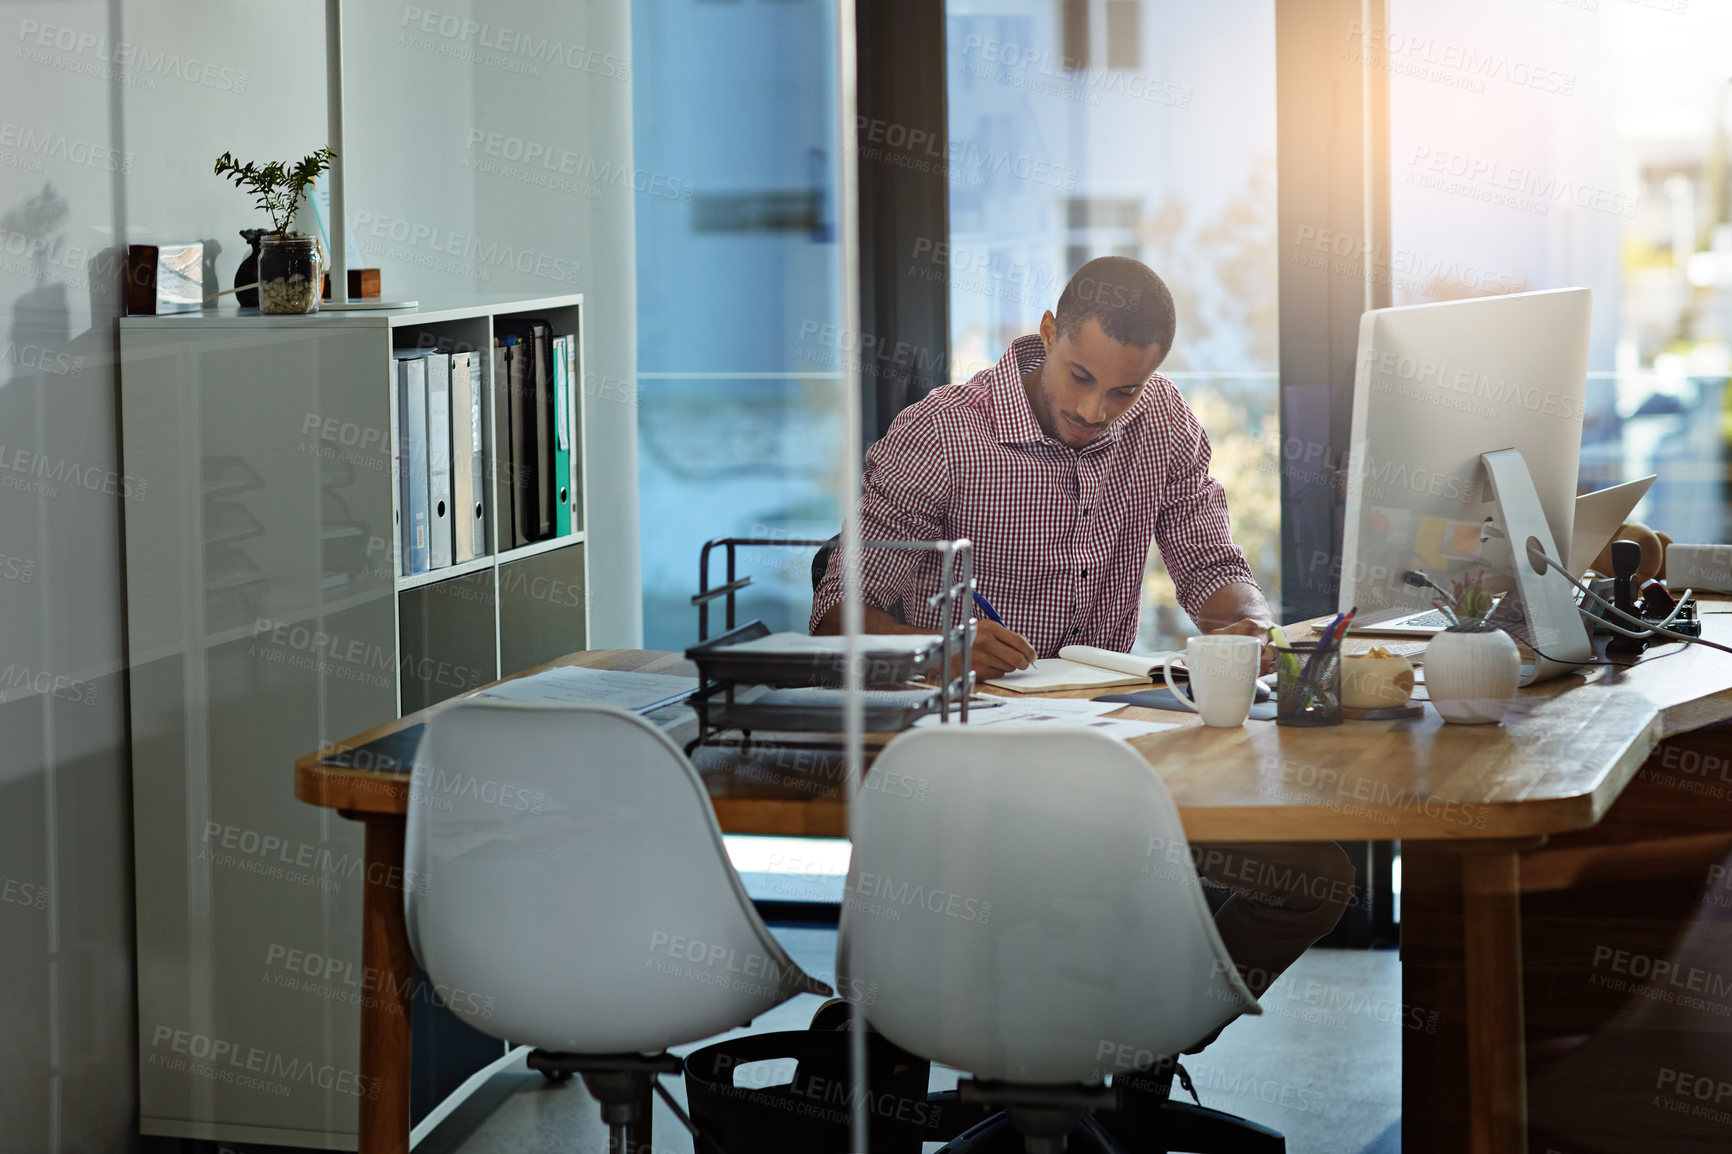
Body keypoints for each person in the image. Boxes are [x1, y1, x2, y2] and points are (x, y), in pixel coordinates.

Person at [810, 256, 1354, 1041]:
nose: (1098, 410)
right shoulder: (942, 432)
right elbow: (836, 616)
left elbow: (1214, 568)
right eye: (1081, 377)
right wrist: (940, 645)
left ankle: (1142, 1042)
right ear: (1047, 334)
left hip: (1104, 756)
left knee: (1316, 879)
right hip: (967, 767)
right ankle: (1098, 1051)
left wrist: (1247, 625)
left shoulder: (1161, 420)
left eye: (1123, 390)